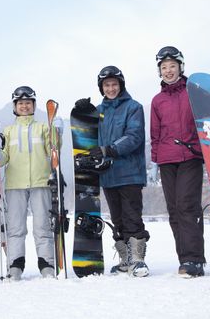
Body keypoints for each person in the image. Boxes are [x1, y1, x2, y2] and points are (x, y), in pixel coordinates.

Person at [75, 66, 150, 277]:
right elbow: (89, 136)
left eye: (114, 84)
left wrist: (109, 150)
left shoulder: (133, 107)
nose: (110, 88)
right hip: (108, 175)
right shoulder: (99, 111)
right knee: (117, 219)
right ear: (101, 87)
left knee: (132, 216)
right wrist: (84, 113)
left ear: (121, 85)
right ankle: (126, 260)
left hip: (130, 172)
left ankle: (138, 260)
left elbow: (134, 136)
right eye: (106, 85)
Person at [0, 86, 59, 281]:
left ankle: (46, 264)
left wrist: (57, 134)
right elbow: (4, 158)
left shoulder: (43, 127)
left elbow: (52, 151)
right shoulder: (8, 131)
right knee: (16, 228)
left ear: (34, 105)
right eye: (20, 103)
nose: (24, 106)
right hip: (15, 185)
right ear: (15, 106)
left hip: (40, 182)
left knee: (42, 226)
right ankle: (15, 265)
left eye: (28, 103)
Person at [150, 46, 206, 277]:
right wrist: (155, 161)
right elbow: (155, 134)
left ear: (181, 67)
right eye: (164, 67)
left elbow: (205, 122)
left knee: (187, 205)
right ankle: (184, 260)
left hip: (191, 156)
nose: (168, 70)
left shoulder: (193, 92)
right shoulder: (157, 100)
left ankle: (195, 259)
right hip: (166, 160)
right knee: (174, 210)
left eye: (172, 66)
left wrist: (207, 151)